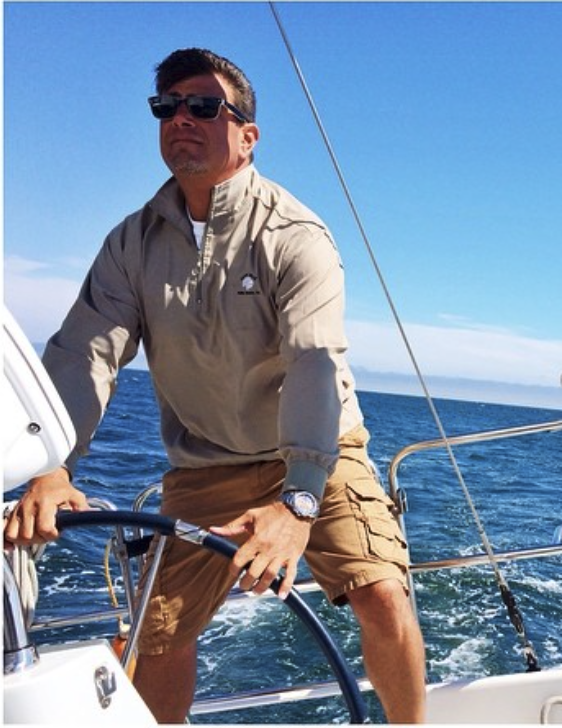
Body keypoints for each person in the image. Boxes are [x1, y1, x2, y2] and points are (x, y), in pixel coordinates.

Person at [3, 48, 426, 723]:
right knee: (159, 635)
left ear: (247, 135)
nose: (181, 119)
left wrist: (298, 502)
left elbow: (314, 362)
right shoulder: (131, 244)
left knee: (380, 593)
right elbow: (85, 355)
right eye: (167, 107)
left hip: (317, 454)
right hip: (207, 465)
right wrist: (51, 468)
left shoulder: (295, 234)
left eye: (203, 106)